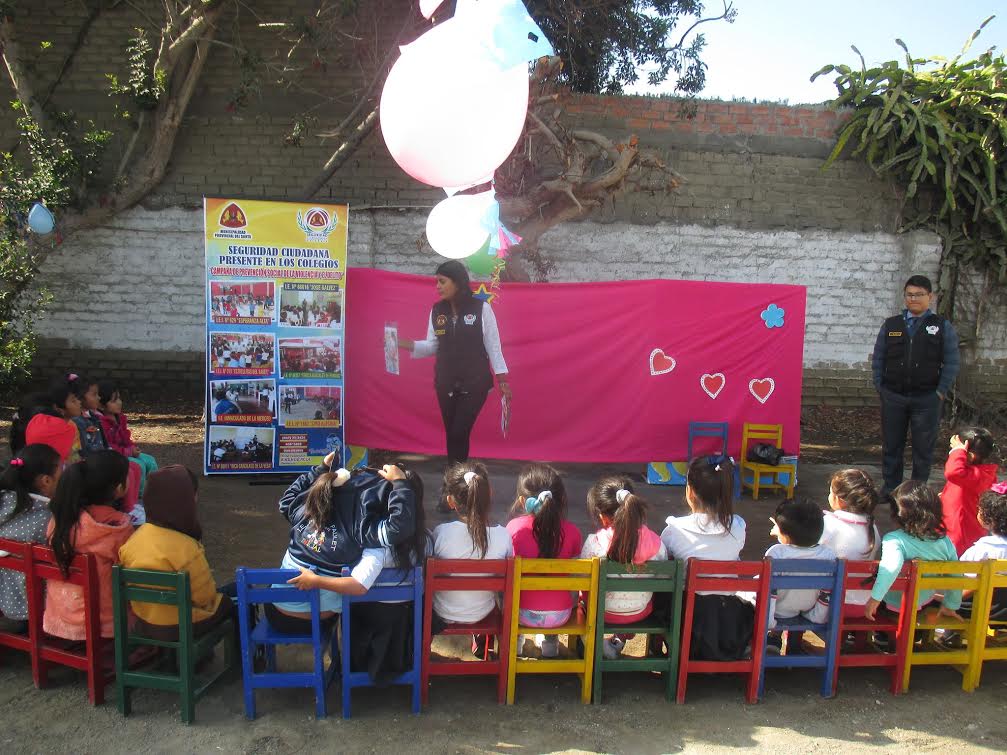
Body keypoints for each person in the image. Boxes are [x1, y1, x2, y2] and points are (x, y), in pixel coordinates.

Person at [270, 454, 420, 634]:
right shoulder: (361, 529)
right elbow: (400, 527)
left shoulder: (306, 508)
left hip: (276, 612)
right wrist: (400, 483)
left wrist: (320, 469)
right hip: (316, 621)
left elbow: (287, 498)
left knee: (239, 592)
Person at [398, 260, 510, 466]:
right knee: (453, 434)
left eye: (442, 281)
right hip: (445, 383)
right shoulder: (437, 311)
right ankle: (455, 481)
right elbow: (432, 346)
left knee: (459, 431)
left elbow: (494, 347)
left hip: (475, 383)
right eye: (436, 282)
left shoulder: (481, 308)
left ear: (457, 282)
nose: (437, 287)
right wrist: (402, 344)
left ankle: (455, 481)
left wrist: (503, 380)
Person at [118, 466, 236, 640]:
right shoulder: (187, 547)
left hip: (145, 622)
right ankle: (248, 659)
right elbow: (205, 598)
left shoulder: (132, 541)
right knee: (233, 598)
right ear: (186, 501)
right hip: (179, 626)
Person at [872, 275, 960, 492]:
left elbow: (951, 361)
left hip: (927, 398)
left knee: (923, 448)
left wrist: (940, 391)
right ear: (905, 297)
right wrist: (880, 387)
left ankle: (917, 490)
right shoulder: (891, 324)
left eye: (919, 295)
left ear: (930, 297)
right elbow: (878, 358)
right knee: (892, 445)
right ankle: (891, 487)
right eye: (910, 295)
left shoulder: (941, 326)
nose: (914, 299)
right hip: (894, 396)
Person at [660, 457, 752, 661]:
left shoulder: (675, 530)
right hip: (727, 616)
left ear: (690, 492)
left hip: (685, 619)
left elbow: (662, 565)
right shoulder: (738, 527)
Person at [43, 451, 134, 640]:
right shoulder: (119, 528)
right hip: (107, 622)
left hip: (61, 616)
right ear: (119, 488)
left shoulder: (60, 520)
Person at [430, 462, 513, 657]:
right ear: (489, 493)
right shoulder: (503, 536)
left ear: (451, 501)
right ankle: (483, 646)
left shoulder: (441, 534)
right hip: (482, 612)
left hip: (442, 612)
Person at [580, 475, 667, 660]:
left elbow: (581, 579)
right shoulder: (657, 544)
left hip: (602, 612)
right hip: (641, 611)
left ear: (603, 518)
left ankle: (591, 645)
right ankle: (619, 640)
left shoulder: (594, 543)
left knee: (582, 596)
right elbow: (664, 578)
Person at [506, 464, 582, 658]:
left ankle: (517, 642)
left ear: (523, 501)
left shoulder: (513, 530)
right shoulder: (573, 533)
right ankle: (550, 643)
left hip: (520, 613)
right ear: (561, 500)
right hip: (560, 614)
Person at [865, 481, 962, 622]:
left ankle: (882, 638)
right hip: (923, 605)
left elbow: (890, 568)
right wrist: (951, 605)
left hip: (891, 606)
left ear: (896, 513)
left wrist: (875, 598)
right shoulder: (944, 542)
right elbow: (956, 574)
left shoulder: (894, 539)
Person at [0, 445, 62, 633]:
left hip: (4, 592)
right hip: (35, 599)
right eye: (62, 470)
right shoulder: (50, 516)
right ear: (46, 481)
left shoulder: (4, 501)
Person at [763, 499, 836, 655]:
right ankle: (794, 647)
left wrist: (768, 623)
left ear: (785, 535)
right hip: (808, 608)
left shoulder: (776, 553)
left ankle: (772, 639)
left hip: (778, 610)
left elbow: (769, 593)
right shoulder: (828, 555)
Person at [819, 468, 881, 608]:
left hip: (828, 604)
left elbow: (806, 551)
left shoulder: (829, 524)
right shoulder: (872, 528)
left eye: (831, 492)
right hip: (863, 604)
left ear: (839, 500)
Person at [940, 427, 999, 555]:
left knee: (955, 567)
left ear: (969, 454)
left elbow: (953, 472)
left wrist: (957, 451)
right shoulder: (979, 473)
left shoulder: (977, 475)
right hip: (957, 530)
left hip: (960, 534)